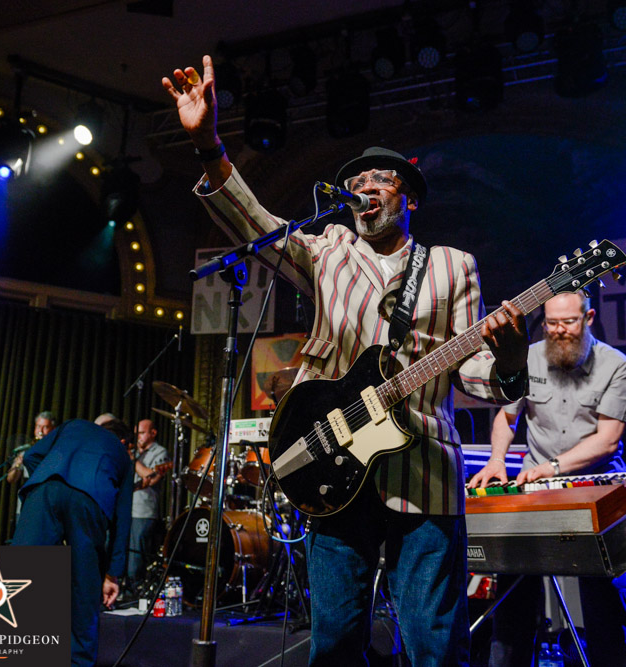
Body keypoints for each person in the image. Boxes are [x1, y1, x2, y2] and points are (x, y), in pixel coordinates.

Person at [163, 55, 530, 666]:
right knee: (333, 640)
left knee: (434, 642)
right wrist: (208, 146)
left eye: (382, 179)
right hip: (330, 469)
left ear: (409, 199)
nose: (366, 186)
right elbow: (254, 224)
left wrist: (510, 359)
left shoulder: (452, 265)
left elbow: (469, 371)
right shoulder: (327, 249)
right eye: (358, 180)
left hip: (423, 474)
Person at [467, 291, 626, 667]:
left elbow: (608, 440)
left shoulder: (615, 364)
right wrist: (496, 459)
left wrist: (554, 467)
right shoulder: (527, 358)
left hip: (597, 489)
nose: (559, 331)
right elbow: (507, 417)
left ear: (588, 318)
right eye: (551, 323)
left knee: (604, 600)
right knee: (513, 589)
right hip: (537, 489)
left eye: (568, 322)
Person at [12, 419, 134, 667]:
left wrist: (48, 479)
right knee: (84, 589)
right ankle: (78, 662)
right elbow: (122, 520)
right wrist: (112, 574)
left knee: (18, 578)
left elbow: (31, 456)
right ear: (124, 442)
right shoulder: (123, 454)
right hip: (89, 499)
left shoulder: (73, 425)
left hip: (44, 490)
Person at [127, 418, 169, 588]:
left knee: (136, 557)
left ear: (153, 433)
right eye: (136, 433)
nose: (138, 437)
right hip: (126, 508)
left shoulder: (160, 452)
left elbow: (150, 477)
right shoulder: (133, 451)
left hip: (143, 511)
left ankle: (135, 590)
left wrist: (133, 460)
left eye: (142, 433)